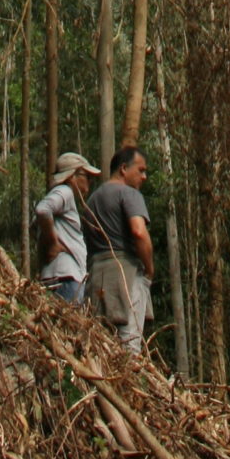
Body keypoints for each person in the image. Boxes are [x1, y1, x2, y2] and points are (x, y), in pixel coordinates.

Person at [84, 145, 154, 351]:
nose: (144, 177)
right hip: (126, 273)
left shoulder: (92, 200)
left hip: (96, 275)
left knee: (100, 343)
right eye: (140, 170)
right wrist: (150, 269)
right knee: (129, 343)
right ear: (124, 168)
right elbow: (139, 232)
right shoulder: (129, 194)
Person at [34, 151, 99, 302]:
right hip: (66, 277)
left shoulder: (64, 196)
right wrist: (53, 243)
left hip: (60, 275)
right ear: (72, 176)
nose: (89, 182)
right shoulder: (65, 191)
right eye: (87, 177)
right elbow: (42, 210)